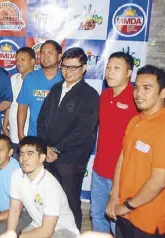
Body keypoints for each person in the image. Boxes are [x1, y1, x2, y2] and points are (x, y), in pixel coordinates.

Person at [37, 47, 99, 230]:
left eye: (74, 67)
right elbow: (42, 119)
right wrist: (45, 146)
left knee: (70, 201)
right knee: (49, 199)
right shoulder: (56, 88)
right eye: (65, 66)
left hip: (71, 160)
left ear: (84, 68)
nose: (68, 71)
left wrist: (56, 149)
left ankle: (73, 233)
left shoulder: (90, 95)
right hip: (48, 155)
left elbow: (83, 130)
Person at [106, 65, 165, 237]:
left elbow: (159, 182)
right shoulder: (135, 120)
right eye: (137, 88)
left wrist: (127, 206)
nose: (139, 94)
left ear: (163, 93)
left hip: (148, 220)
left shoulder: (164, 127)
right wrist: (114, 195)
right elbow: (123, 158)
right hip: (125, 213)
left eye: (147, 88)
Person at [90, 52, 138, 234]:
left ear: (129, 73)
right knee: (97, 216)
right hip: (99, 171)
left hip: (122, 176)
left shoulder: (136, 99)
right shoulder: (104, 95)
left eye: (116, 68)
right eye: (108, 67)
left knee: (117, 223)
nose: (109, 72)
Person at [0, 136, 80, 238]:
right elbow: (15, 210)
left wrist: (17, 237)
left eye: (30, 154)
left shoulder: (51, 187)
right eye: (21, 154)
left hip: (62, 231)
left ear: (42, 158)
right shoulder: (16, 175)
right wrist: (10, 233)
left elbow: (47, 232)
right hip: (38, 226)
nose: (24, 158)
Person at [17, 40, 63, 138]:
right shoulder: (30, 78)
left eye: (50, 53)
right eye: (43, 53)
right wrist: (20, 134)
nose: (46, 56)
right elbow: (22, 107)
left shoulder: (66, 79)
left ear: (59, 56)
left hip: (58, 139)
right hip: (34, 136)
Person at [2, 47, 35, 157]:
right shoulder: (13, 79)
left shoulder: (38, 80)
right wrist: (4, 124)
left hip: (31, 134)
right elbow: (10, 104)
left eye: (22, 59)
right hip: (13, 134)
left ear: (32, 61)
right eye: (17, 59)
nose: (18, 62)